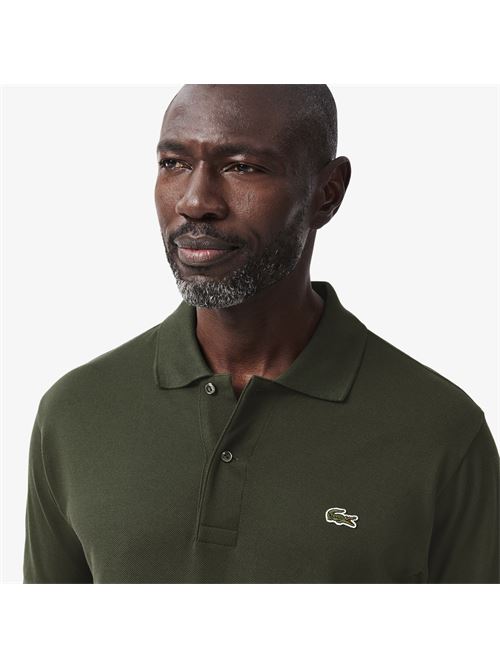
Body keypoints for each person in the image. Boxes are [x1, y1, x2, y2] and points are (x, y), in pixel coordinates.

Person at [23, 84, 499, 584]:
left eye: (242, 167)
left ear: (327, 193)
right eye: (173, 163)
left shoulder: (440, 432)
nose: (195, 202)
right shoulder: (76, 412)